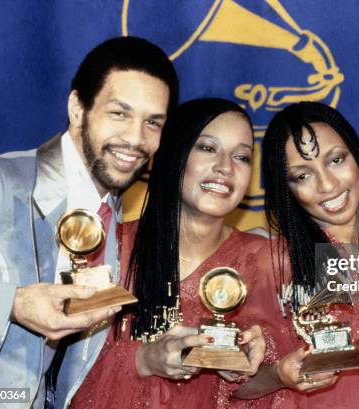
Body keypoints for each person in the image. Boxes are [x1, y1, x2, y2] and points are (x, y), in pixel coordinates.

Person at [0, 36, 178, 409]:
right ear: (78, 109)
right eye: (119, 114)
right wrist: (13, 303)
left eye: (152, 122)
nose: (136, 139)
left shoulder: (112, 217)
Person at [70, 98, 283, 409]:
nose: (226, 167)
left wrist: (257, 367)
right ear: (173, 154)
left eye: (242, 156)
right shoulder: (110, 249)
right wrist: (143, 359)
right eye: (208, 148)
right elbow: (60, 373)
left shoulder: (265, 259)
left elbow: (268, 385)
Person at [235, 102, 359, 408]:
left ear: (356, 154)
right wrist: (279, 375)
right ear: (285, 188)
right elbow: (235, 386)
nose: (327, 185)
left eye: (336, 160)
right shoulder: (271, 262)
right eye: (302, 176)